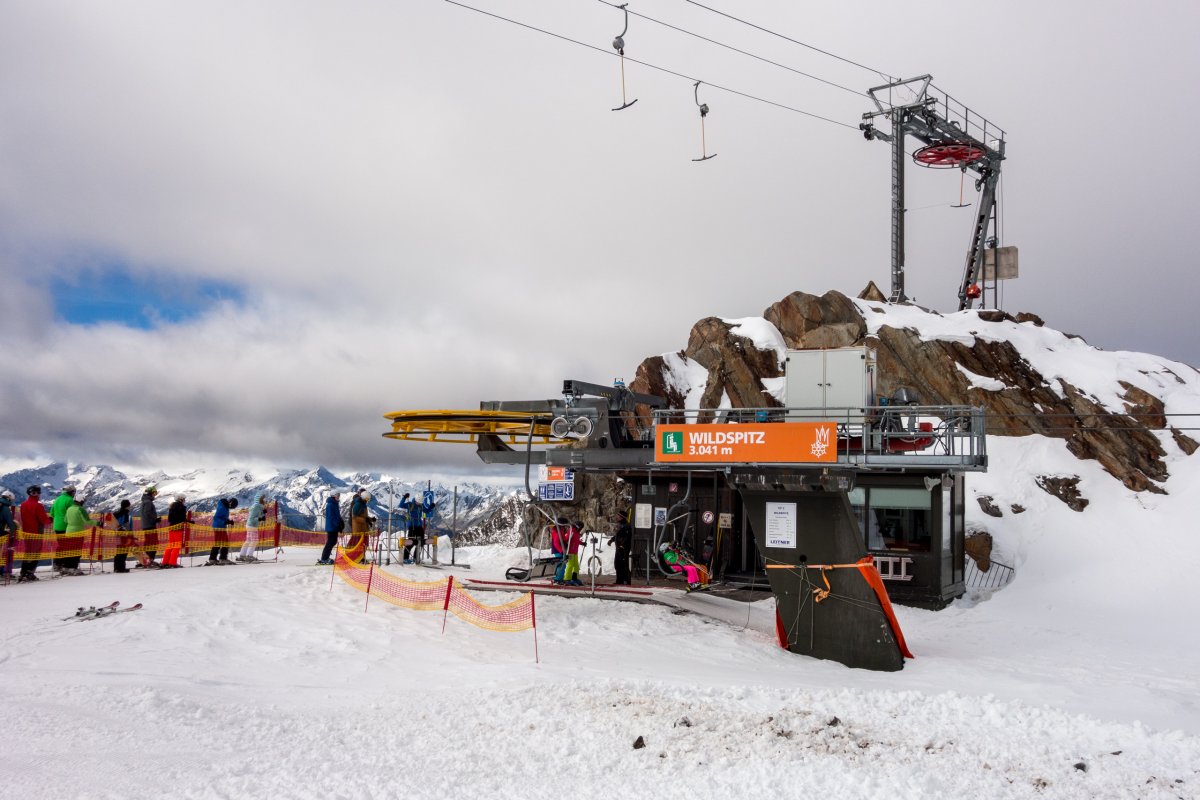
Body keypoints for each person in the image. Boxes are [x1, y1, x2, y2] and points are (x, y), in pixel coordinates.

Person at [17, 486, 51, 581]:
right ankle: (29, 573)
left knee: (28, 552)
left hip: (26, 532)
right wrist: (50, 520)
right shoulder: (38, 505)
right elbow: (44, 520)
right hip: (36, 532)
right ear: (38, 493)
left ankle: (23, 573)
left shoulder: (23, 505)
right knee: (35, 552)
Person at [61, 495, 94, 576]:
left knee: (69, 550)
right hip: (78, 533)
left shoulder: (69, 509)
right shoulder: (81, 509)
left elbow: (65, 520)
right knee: (76, 551)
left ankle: (66, 567)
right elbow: (88, 521)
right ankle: (73, 568)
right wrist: (99, 523)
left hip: (68, 532)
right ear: (81, 502)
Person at [50, 484, 76, 571]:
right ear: (71, 492)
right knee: (68, 546)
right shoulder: (70, 500)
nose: (74, 494)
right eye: (74, 492)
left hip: (57, 526)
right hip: (66, 526)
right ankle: (65, 564)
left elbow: (52, 513)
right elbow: (73, 514)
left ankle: (57, 564)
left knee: (61, 545)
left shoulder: (57, 499)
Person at [239, 493, 268, 562]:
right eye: (263, 499)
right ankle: (249, 556)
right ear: (259, 499)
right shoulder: (257, 507)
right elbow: (252, 518)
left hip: (249, 525)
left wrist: (263, 513)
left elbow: (255, 515)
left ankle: (242, 555)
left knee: (248, 540)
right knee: (254, 541)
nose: (264, 500)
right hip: (252, 525)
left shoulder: (256, 506)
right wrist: (260, 519)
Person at [208, 498, 237, 565]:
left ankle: (213, 558)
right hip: (219, 526)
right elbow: (217, 518)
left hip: (220, 526)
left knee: (219, 542)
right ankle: (222, 558)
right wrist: (225, 522)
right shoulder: (222, 507)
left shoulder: (225, 506)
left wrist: (228, 521)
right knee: (224, 542)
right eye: (232, 506)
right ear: (231, 503)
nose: (231, 508)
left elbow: (223, 517)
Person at [161, 494, 187, 568]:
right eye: (184, 499)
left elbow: (169, 519)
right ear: (181, 499)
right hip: (178, 528)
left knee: (170, 545)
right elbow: (182, 519)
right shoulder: (181, 507)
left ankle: (165, 562)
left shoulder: (172, 506)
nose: (185, 500)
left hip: (171, 527)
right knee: (177, 545)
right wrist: (189, 521)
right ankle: (172, 562)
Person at [608, 511, 633, 586]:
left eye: (618, 516)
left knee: (624, 565)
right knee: (617, 564)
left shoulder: (627, 526)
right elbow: (618, 535)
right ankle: (619, 580)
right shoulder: (620, 525)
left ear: (622, 517)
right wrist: (612, 540)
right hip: (618, 548)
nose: (617, 517)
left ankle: (626, 580)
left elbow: (627, 537)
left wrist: (622, 545)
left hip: (624, 548)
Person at [138, 485, 160, 567]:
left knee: (148, 543)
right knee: (153, 543)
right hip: (150, 525)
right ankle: (149, 560)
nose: (154, 495)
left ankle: (144, 560)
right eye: (154, 493)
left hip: (145, 525)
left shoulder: (144, 501)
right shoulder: (148, 502)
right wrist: (155, 520)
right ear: (150, 493)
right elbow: (148, 513)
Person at [318, 492, 342, 565]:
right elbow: (332, 517)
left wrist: (340, 521)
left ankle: (326, 557)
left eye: (339, 495)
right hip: (332, 526)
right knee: (330, 542)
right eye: (337, 495)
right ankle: (324, 558)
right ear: (333, 496)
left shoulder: (334, 504)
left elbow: (337, 515)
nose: (338, 497)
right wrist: (338, 524)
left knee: (333, 541)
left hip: (334, 526)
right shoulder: (331, 505)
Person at [347, 489, 371, 562]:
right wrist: (365, 520)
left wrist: (369, 519)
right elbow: (354, 517)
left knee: (363, 543)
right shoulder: (358, 504)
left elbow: (363, 515)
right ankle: (356, 557)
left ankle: (361, 557)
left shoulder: (363, 504)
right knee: (358, 543)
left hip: (363, 527)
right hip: (358, 527)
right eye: (366, 499)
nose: (367, 501)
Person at [112, 499, 133, 573]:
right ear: (127, 506)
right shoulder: (125, 514)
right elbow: (126, 525)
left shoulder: (116, 514)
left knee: (119, 551)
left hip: (118, 535)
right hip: (124, 535)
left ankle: (116, 567)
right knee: (123, 552)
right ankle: (121, 568)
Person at [562, 519, 583, 586]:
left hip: (575, 551)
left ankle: (574, 578)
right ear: (578, 526)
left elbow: (576, 540)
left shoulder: (577, 532)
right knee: (570, 564)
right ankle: (567, 578)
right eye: (580, 527)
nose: (581, 529)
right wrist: (566, 544)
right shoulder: (572, 531)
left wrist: (582, 543)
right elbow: (566, 539)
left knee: (576, 565)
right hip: (570, 551)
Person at [0, 490, 16, 578]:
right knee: (1, 553)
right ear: (9, 498)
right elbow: (10, 523)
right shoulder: (5, 508)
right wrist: (12, 533)